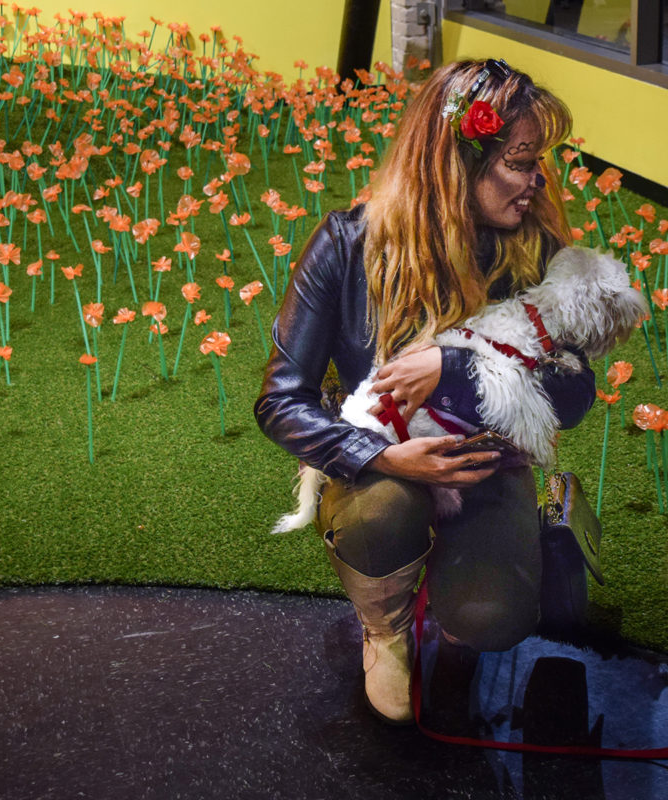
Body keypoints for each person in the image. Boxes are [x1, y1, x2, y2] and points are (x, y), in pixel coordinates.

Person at [254, 60, 595, 724]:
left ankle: (465, 625)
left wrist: (454, 371)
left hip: (489, 462)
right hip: (378, 456)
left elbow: (574, 395)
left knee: (492, 616)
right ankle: (384, 633)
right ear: (455, 165)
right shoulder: (347, 244)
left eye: (539, 162)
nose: (538, 181)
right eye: (521, 162)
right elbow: (280, 401)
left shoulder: (540, 249)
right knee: (381, 517)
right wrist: (378, 458)